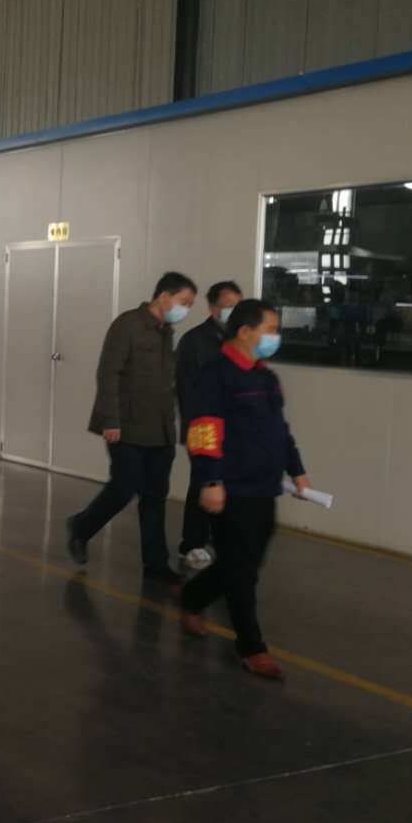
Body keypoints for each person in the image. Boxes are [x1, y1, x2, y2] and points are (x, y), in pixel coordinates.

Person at [180, 298, 312, 680]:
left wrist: (297, 471)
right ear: (244, 332)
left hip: (264, 487)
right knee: (241, 571)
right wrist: (211, 481)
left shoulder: (266, 378)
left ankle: (192, 597)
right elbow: (203, 432)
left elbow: (280, 431)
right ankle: (251, 648)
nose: (276, 336)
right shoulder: (215, 375)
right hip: (230, 487)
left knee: (245, 563)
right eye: (271, 329)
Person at [66, 272, 198, 585]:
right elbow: (108, 374)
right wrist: (110, 420)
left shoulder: (166, 333)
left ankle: (156, 564)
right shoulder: (128, 325)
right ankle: (81, 527)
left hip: (160, 429)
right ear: (164, 296)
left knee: (155, 497)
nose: (186, 309)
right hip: (126, 427)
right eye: (184, 302)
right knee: (124, 488)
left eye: (190, 304)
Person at [175, 280, 243, 572]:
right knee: (203, 482)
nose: (234, 312)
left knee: (226, 484)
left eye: (238, 306)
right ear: (214, 308)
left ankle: (217, 539)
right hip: (203, 427)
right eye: (229, 306)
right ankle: (192, 543)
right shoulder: (194, 342)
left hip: (232, 427)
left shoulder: (240, 339)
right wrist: (196, 431)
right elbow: (186, 391)